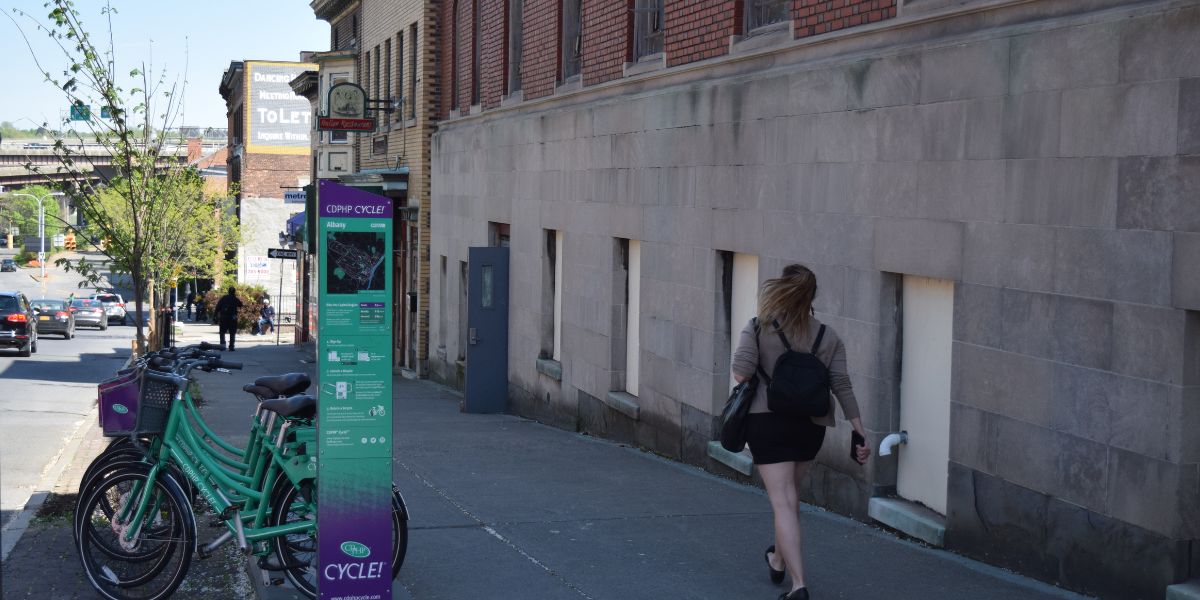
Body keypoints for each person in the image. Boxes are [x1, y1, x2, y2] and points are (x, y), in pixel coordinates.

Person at [731, 264, 870, 600]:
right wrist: (859, 432)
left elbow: (740, 373)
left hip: (767, 421)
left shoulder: (758, 326)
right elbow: (841, 385)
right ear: (811, 296)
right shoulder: (828, 335)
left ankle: (799, 586)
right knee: (790, 499)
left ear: (782, 289)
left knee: (783, 502)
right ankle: (778, 560)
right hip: (811, 427)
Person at [213, 287, 243, 351]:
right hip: (232, 317)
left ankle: (222, 345)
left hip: (224, 317)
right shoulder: (235, 299)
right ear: (234, 292)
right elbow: (240, 304)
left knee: (222, 332)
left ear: (228, 291)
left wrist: (215, 315)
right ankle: (231, 346)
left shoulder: (224, 298)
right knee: (232, 332)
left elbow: (218, 307)